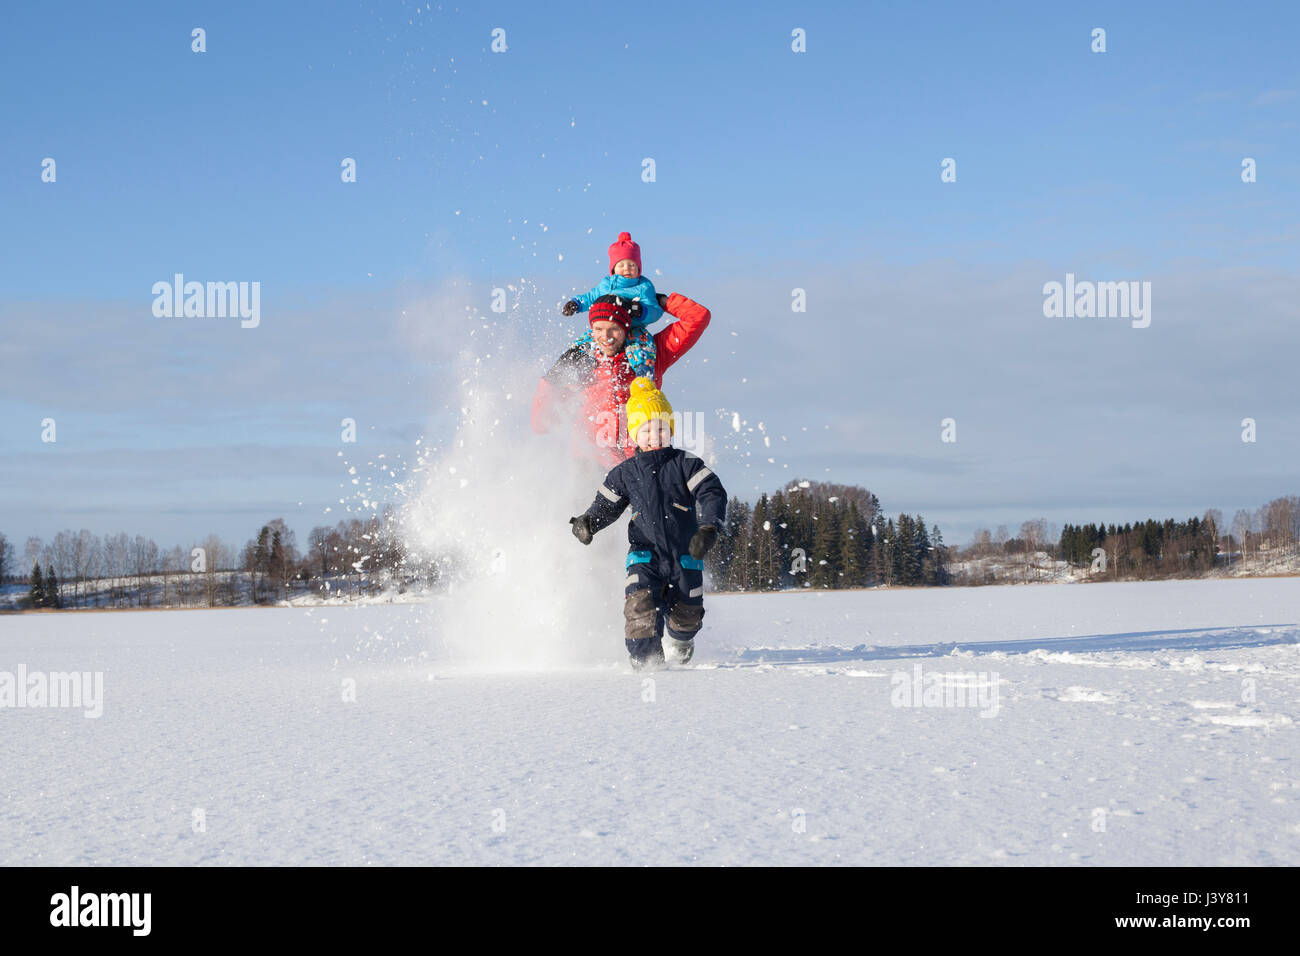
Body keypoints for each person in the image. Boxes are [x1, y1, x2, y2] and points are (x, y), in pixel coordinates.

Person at [568, 378, 727, 670]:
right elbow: (607, 505)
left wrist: (709, 527)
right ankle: (647, 663)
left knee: (687, 615)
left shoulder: (685, 464)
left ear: (671, 431)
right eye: (646, 430)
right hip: (645, 556)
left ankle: (681, 640)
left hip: (685, 554)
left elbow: (712, 491)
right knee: (639, 606)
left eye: (661, 428)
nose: (654, 435)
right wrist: (588, 522)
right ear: (634, 436)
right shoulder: (625, 472)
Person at [531, 290, 711, 468]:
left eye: (614, 329)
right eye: (598, 329)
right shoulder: (582, 361)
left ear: (626, 328)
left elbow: (698, 317)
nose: (605, 337)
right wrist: (553, 378)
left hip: (640, 458)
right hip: (590, 461)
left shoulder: (650, 354)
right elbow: (541, 422)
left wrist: (658, 301)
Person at [561, 231, 661, 379]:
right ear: (613, 269)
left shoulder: (643, 286)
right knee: (586, 341)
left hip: (632, 328)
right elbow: (590, 297)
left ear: (639, 268)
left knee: (642, 344)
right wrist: (576, 303)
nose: (627, 268)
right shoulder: (605, 284)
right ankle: (568, 372)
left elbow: (655, 310)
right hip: (606, 327)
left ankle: (643, 376)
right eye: (621, 265)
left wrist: (641, 311)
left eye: (631, 265)